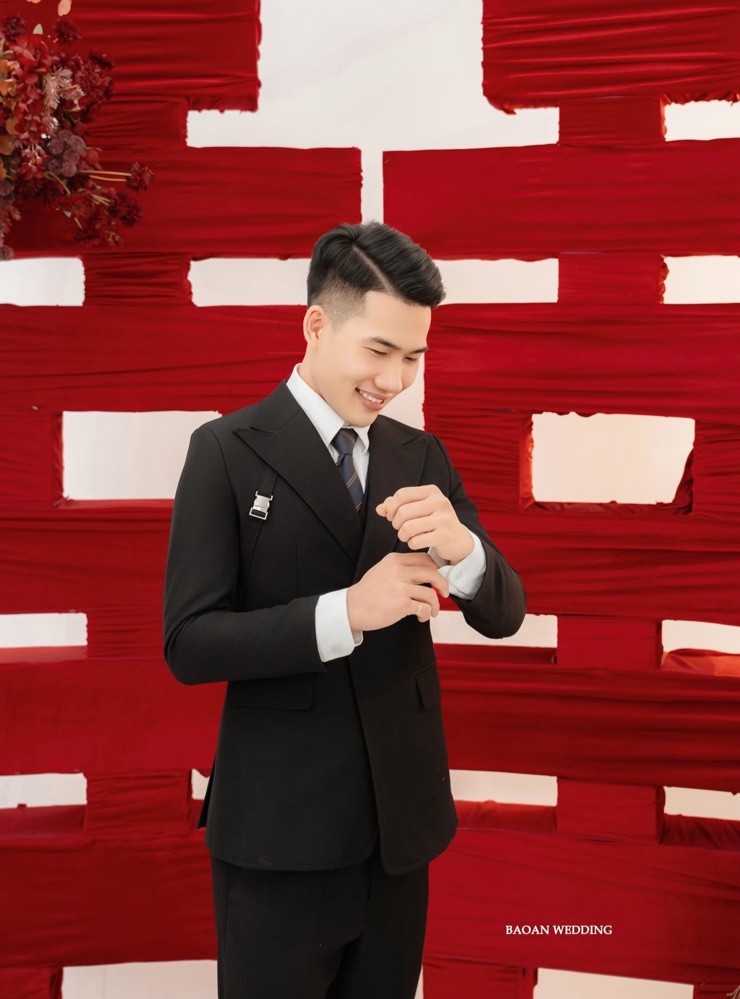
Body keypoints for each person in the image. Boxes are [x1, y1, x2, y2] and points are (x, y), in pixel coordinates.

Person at [162, 220, 526, 999]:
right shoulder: (225, 450)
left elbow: (505, 612)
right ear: (316, 324)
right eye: (379, 350)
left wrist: (464, 549)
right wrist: (348, 612)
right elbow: (189, 641)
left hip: (402, 828)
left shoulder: (420, 455)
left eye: (414, 356)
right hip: (277, 832)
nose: (395, 379)